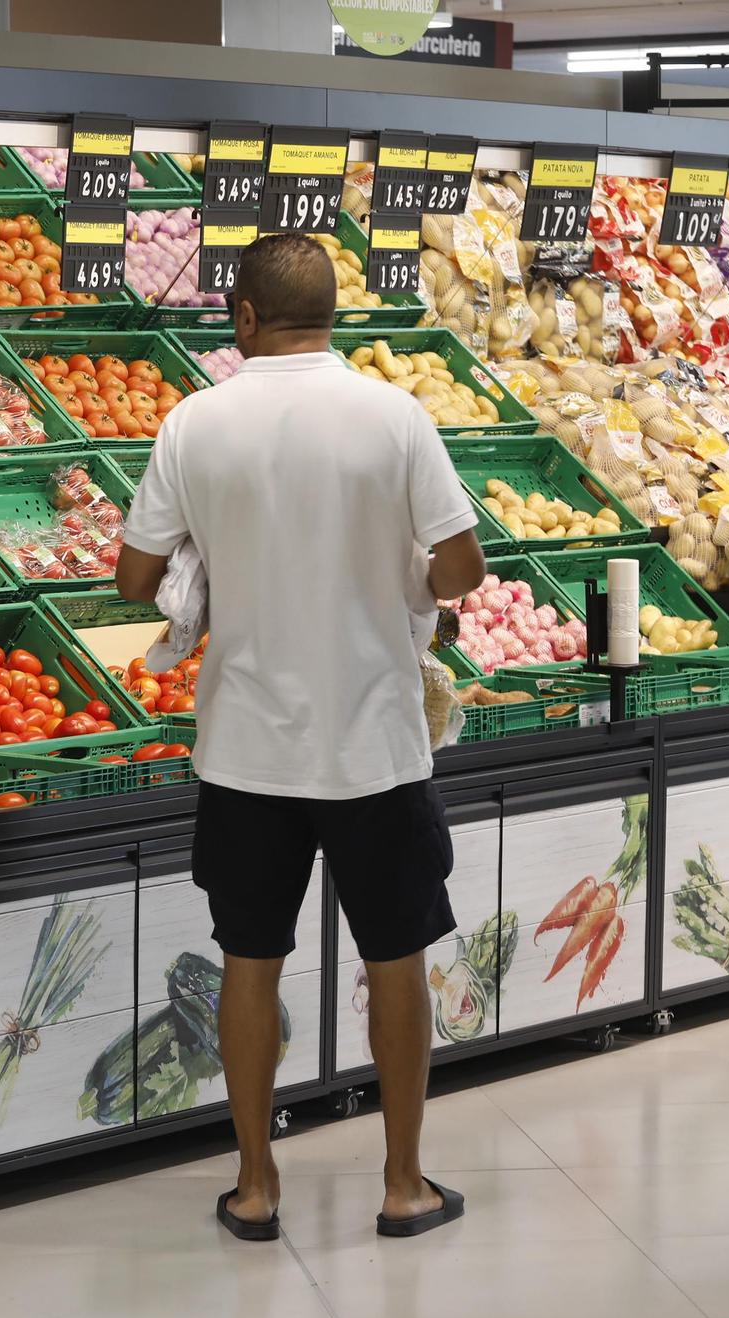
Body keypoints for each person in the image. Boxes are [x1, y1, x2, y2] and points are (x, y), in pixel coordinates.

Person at [115, 232, 486, 1242]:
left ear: (241, 317)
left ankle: (254, 1184)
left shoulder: (194, 422)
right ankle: (403, 1183)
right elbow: (460, 568)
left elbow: (132, 585)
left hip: (244, 746)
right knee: (396, 953)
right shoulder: (392, 413)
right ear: (334, 312)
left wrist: (209, 558)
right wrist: (400, 578)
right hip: (372, 740)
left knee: (248, 955)